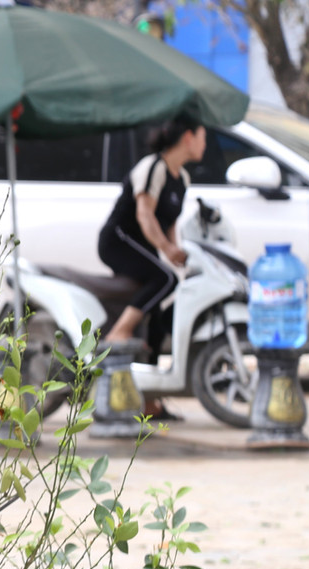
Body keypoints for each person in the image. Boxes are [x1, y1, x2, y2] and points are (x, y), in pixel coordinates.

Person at [97, 115, 208, 418]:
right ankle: (118, 333)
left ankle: (147, 401)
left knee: (158, 323)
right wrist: (167, 251)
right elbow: (145, 216)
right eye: (202, 137)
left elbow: (169, 222)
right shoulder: (152, 168)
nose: (204, 144)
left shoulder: (181, 178)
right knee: (164, 279)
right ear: (188, 137)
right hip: (119, 241)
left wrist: (177, 252)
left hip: (145, 246)